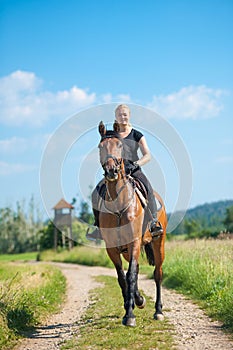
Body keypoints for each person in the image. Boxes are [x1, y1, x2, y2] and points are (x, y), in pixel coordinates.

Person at [86, 104, 163, 241]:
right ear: (116, 117)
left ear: (129, 115)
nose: (123, 117)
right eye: (120, 115)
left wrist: (136, 164)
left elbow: (147, 155)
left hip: (134, 170)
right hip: (115, 171)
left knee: (148, 189)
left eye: (125, 114)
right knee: (96, 193)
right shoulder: (112, 135)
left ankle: (154, 223)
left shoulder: (137, 134)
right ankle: (98, 227)